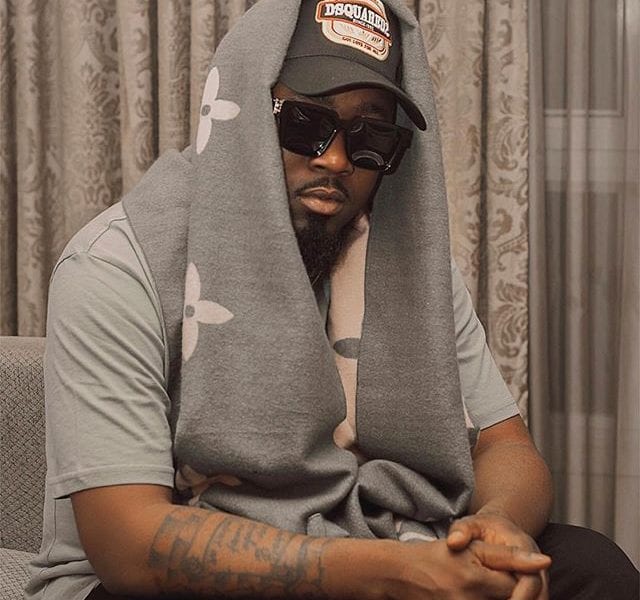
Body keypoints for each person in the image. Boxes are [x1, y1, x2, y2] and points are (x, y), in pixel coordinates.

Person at [26, 0, 639, 599]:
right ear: (242, 113)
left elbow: (504, 445)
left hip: (374, 533)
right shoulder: (115, 266)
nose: (337, 160)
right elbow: (129, 546)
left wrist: (498, 525)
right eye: (305, 123)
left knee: (592, 567)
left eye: (371, 137)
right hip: (170, 571)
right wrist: (396, 575)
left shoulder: (405, 266)